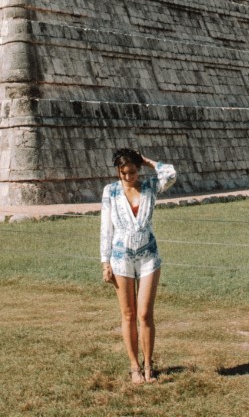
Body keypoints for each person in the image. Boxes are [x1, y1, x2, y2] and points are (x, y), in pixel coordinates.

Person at [99, 148, 177, 384]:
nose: (128, 177)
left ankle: (149, 365)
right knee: (128, 314)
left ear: (138, 169)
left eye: (132, 171)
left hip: (148, 257)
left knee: (145, 314)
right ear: (117, 172)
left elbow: (171, 174)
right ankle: (134, 366)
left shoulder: (151, 187)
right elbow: (106, 229)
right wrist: (105, 262)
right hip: (121, 258)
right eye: (123, 173)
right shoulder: (110, 192)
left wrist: (150, 161)